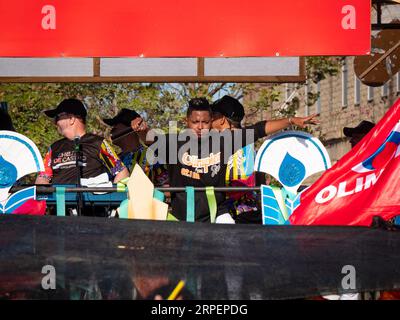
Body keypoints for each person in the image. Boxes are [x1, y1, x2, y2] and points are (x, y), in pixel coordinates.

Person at [131, 97, 318, 223]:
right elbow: (149, 138)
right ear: (186, 121)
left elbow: (259, 129)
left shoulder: (224, 141)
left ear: (211, 120)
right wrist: (141, 130)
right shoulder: (173, 143)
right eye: (195, 122)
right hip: (182, 218)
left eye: (205, 122)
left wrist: (291, 120)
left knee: (230, 259)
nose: (200, 127)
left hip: (217, 216)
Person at [35, 98, 129, 216]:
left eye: (58, 117)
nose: (55, 122)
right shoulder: (54, 147)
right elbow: (42, 178)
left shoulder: (98, 143)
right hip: (59, 211)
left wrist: (111, 206)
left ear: (71, 119)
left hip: (92, 213)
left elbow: (121, 171)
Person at [211, 95, 261, 223]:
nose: (209, 120)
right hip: (252, 210)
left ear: (221, 119)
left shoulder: (220, 143)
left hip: (226, 213)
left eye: (213, 115)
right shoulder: (250, 144)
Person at [102, 108, 168, 187]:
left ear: (132, 127)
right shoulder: (116, 159)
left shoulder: (151, 154)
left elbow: (165, 186)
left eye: (116, 125)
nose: (111, 130)